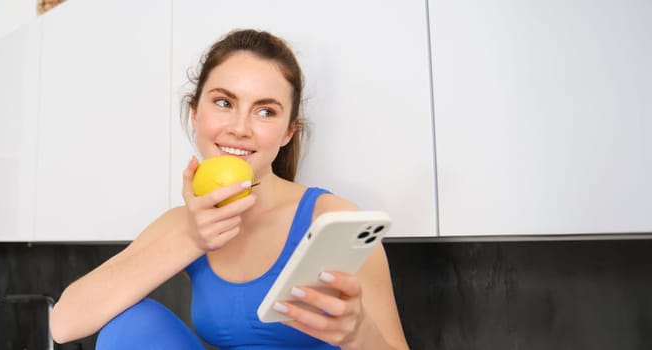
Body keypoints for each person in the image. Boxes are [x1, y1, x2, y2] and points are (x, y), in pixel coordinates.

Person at [50, 29, 409, 350]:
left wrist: (358, 334)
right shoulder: (185, 224)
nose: (240, 128)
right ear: (195, 113)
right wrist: (193, 238)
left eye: (265, 111)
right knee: (131, 323)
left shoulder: (334, 220)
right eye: (224, 103)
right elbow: (64, 324)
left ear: (288, 131)